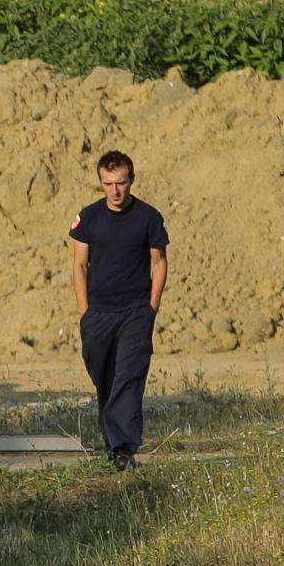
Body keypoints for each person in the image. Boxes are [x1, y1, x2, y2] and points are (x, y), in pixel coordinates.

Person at [68, 150, 169, 470]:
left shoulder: (149, 217)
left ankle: (123, 449)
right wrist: (84, 309)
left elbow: (159, 262)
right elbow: (79, 265)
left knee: (129, 375)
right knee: (104, 376)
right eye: (108, 183)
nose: (115, 190)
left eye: (121, 183)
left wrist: (151, 306)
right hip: (97, 313)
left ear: (131, 180)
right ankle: (112, 440)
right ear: (100, 182)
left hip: (135, 312)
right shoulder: (89, 217)